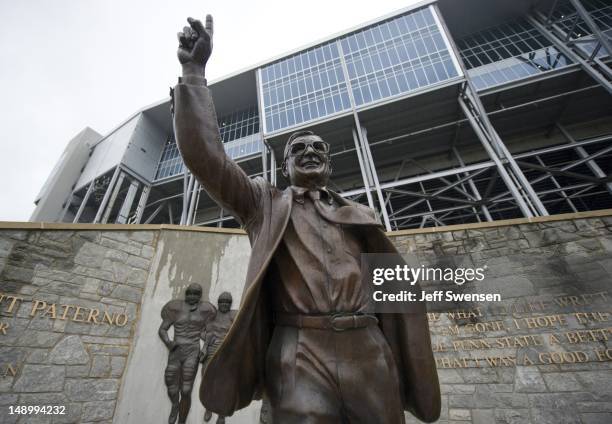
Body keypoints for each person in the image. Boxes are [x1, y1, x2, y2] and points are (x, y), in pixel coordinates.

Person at [172, 14, 440, 423]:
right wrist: (194, 72)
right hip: (298, 353)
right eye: (299, 148)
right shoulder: (265, 203)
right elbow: (207, 159)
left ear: (330, 164)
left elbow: (394, 293)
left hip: (369, 350)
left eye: (318, 148)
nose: (310, 151)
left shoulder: (360, 216)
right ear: (285, 167)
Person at [159, 283, 216, 424]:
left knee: (186, 389)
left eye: (195, 294)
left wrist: (205, 348)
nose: (192, 296)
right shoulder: (175, 308)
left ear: (199, 295)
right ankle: (174, 405)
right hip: (176, 349)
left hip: (192, 350)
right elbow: (162, 329)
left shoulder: (205, 310)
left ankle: (182, 420)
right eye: (189, 293)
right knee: (170, 382)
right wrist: (168, 342)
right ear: (186, 294)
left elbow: (210, 333)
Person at [202, 292, 236, 424]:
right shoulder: (212, 316)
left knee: (224, 383)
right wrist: (206, 343)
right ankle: (208, 407)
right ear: (218, 303)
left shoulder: (233, 316)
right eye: (222, 302)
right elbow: (203, 331)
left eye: (227, 302)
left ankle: (221, 414)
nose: (224, 305)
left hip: (226, 352)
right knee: (207, 378)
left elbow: (238, 331)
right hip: (211, 350)